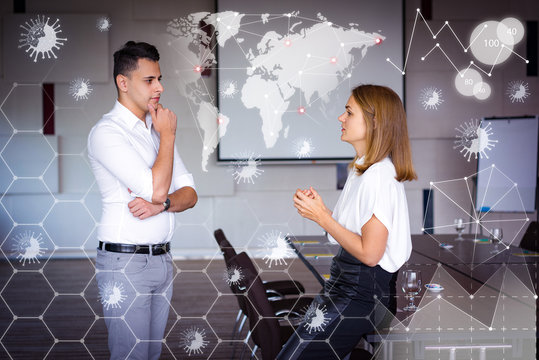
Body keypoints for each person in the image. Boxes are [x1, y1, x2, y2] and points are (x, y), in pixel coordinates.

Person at [277, 84, 416, 359]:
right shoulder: (362, 169)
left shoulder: (379, 176)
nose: (341, 118)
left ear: (374, 122)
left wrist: (322, 217)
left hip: (358, 297)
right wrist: (321, 212)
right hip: (344, 288)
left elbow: (370, 253)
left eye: (349, 113)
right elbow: (349, 233)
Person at [88, 41, 197, 360]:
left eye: (159, 78)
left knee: (150, 355)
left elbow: (189, 194)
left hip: (162, 261)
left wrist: (161, 206)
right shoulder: (107, 133)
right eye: (149, 80)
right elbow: (157, 190)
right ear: (123, 82)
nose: (160, 87)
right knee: (130, 355)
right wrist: (169, 137)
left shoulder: (155, 129)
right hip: (125, 264)